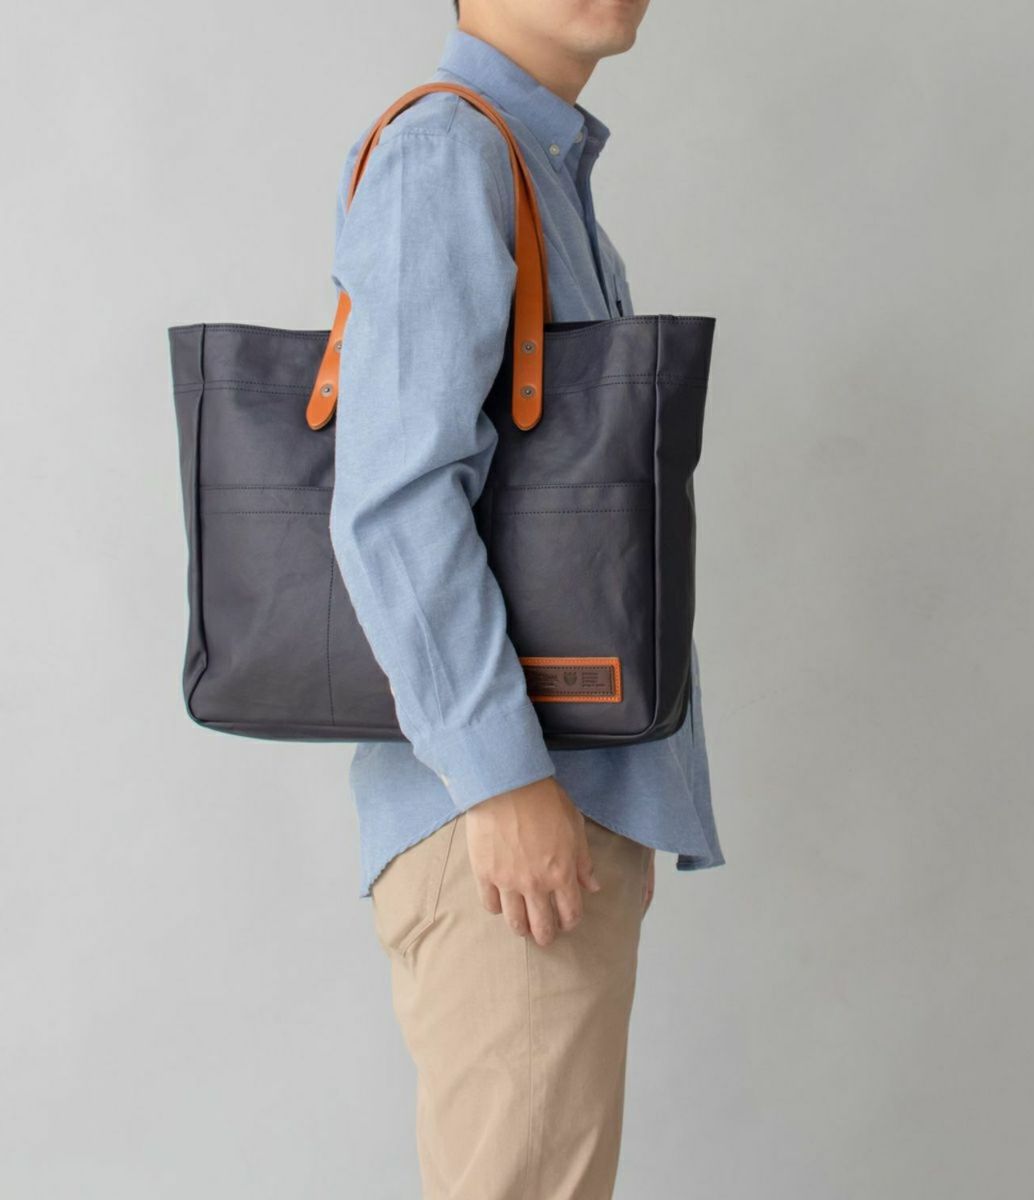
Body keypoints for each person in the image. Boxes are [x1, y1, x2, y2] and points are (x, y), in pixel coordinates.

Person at [327, 3, 725, 1196]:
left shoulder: (527, 160)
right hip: (506, 815)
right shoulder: (450, 151)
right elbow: (393, 499)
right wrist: (501, 780)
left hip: (545, 806)